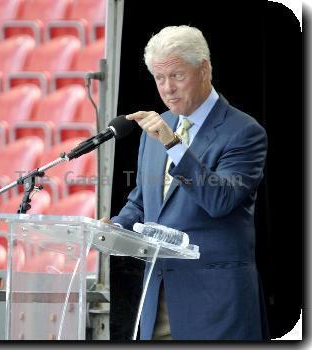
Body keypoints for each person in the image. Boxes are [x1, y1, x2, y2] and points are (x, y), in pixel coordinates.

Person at [101, 25, 269, 340]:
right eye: (159, 78)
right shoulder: (159, 126)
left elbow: (221, 200)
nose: (168, 89)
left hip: (216, 305)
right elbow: (144, 200)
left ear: (204, 68)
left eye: (177, 76)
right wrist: (114, 228)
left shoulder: (244, 132)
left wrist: (175, 146)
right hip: (160, 297)